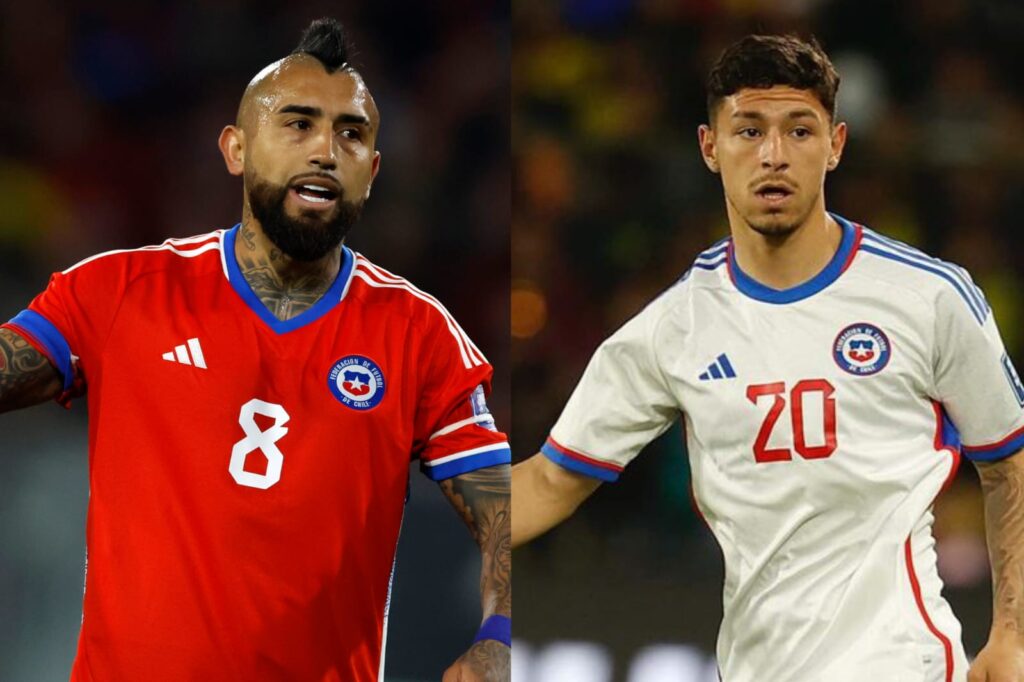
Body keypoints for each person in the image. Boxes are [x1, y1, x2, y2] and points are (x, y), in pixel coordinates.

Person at [0, 18, 510, 682]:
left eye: (351, 134)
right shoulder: (120, 292)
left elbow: (501, 506)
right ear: (236, 148)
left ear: (374, 170)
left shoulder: (420, 335)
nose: (326, 149)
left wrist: (498, 635)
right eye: (297, 124)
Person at [512, 34, 1024, 682]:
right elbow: (550, 481)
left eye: (799, 131)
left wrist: (1011, 632)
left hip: (904, 662)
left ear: (835, 145)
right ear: (709, 147)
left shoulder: (928, 298)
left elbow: (1010, 460)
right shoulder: (672, 329)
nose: (774, 156)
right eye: (749, 131)